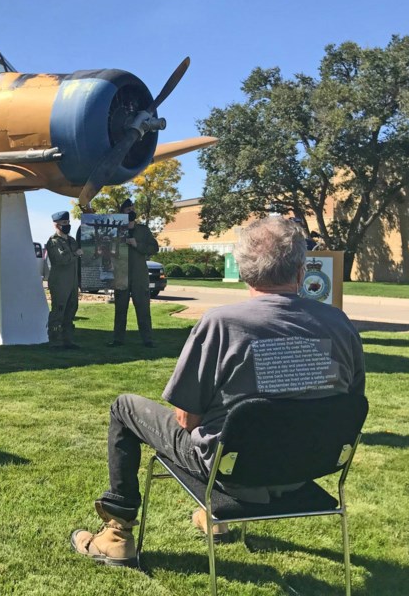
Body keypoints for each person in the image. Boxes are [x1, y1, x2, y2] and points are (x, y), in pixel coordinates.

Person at [70, 216, 366, 567]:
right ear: (301, 271)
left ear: (243, 271)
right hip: (309, 466)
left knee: (125, 407)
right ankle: (215, 518)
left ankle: (117, 536)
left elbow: (186, 419)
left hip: (234, 472)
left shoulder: (224, 324)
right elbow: (349, 403)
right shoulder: (339, 323)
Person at [107, 198, 159, 348]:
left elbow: (154, 248)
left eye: (133, 209)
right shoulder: (115, 231)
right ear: (122, 213)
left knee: (143, 308)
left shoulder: (143, 230)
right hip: (121, 275)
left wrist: (138, 244)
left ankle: (147, 339)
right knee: (120, 309)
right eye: (128, 210)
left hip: (139, 275)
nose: (132, 212)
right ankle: (118, 339)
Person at [45, 211, 83, 349]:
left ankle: (68, 340)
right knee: (58, 312)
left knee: (71, 309)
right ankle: (54, 341)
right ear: (57, 225)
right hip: (60, 282)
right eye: (64, 223)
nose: (67, 225)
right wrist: (75, 254)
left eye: (68, 222)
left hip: (72, 282)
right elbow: (60, 259)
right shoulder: (53, 242)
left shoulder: (71, 240)